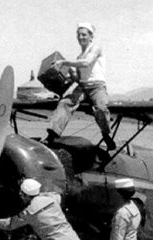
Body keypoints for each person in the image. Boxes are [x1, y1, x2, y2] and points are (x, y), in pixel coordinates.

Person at [46, 22, 117, 151]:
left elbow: (86, 63)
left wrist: (64, 62)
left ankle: (106, 134)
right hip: (83, 87)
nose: (81, 37)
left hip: (97, 87)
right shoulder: (79, 56)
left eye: (84, 35)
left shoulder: (96, 48)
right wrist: (71, 72)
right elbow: (78, 79)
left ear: (91, 37)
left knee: (101, 107)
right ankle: (53, 134)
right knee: (64, 103)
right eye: (78, 35)